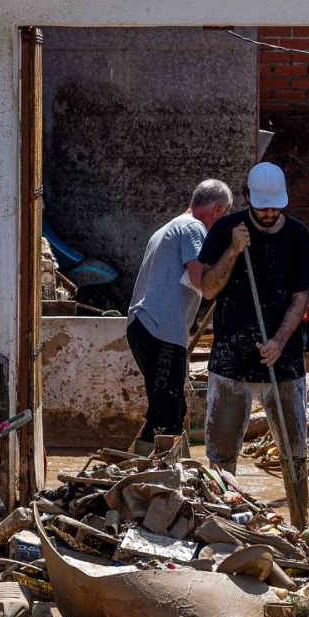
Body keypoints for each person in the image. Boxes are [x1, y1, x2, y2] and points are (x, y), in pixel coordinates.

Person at [196, 163, 309, 495]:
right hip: (230, 358)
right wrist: (234, 250)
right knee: (221, 457)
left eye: (275, 207)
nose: (268, 214)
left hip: (283, 358)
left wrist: (280, 340)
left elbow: (301, 297)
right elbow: (208, 289)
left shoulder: (297, 235)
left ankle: (300, 523)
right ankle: (223, 521)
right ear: (247, 196)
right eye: (262, 206)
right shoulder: (225, 230)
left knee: (295, 452)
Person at [125, 179, 232, 456]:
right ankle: (163, 481)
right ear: (218, 209)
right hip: (161, 330)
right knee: (168, 414)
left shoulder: (172, 227)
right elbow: (201, 281)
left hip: (147, 325)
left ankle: (137, 467)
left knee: (165, 409)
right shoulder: (193, 228)